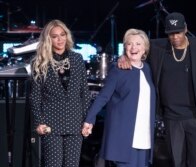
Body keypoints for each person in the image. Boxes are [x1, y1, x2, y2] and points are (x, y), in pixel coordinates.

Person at [118, 12, 196, 167]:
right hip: (171, 118)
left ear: (185, 29)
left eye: (178, 32)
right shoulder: (157, 47)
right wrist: (124, 57)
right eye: (170, 33)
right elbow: (136, 49)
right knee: (177, 162)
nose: (175, 37)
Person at [82, 28, 156, 167]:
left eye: (138, 44)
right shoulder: (118, 69)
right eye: (129, 44)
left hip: (144, 136)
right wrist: (89, 119)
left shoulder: (147, 69)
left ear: (145, 48)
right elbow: (103, 96)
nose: (133, 47)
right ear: (125, 47)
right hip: (124, 136)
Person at [29, 19, 91, 167]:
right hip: (51, 124)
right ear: (48, 39)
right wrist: (39, 122)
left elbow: (85, 92)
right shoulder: (39, 61)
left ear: (67, 35)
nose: (60, 39)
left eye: (62, 34)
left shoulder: (77, 58)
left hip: (75, 123)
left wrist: (87, 120)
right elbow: (35, 96)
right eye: (55, 36)